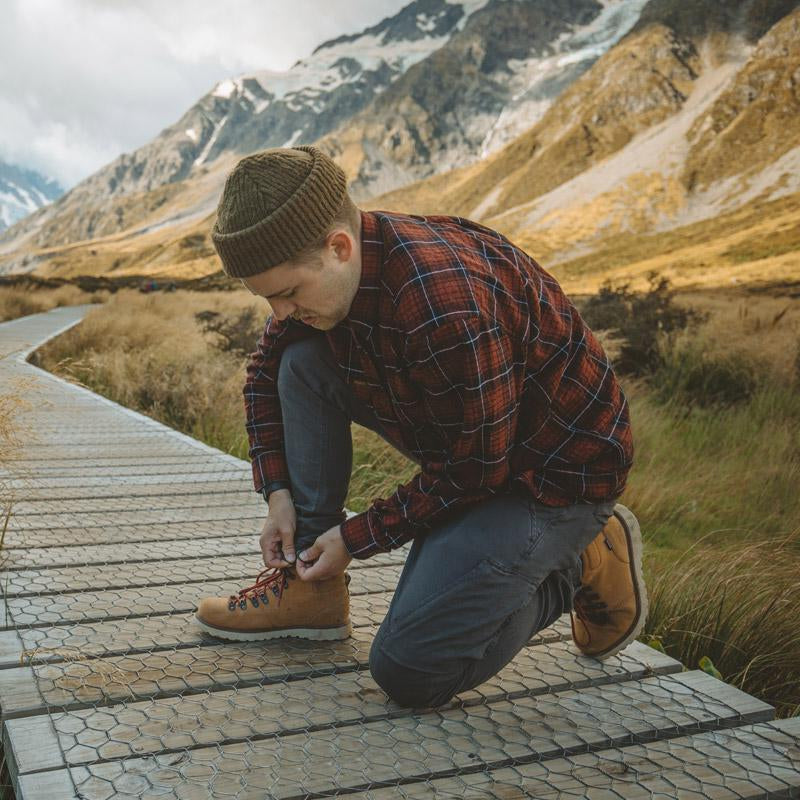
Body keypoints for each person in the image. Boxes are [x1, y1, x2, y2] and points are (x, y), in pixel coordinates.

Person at [195, 145, 647, 709]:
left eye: (287, 293)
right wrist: (277, 493)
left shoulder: (442, 306)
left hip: (551, 480)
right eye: (268, 299)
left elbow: (475, 472)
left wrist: (355, 538)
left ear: (339, 247)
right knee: (301, 360)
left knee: (409, 670)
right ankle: (313, 591)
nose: (281, 313)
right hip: (478, 451)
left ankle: (579, 558)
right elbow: (265, 373)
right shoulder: (336, 278)